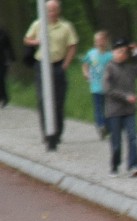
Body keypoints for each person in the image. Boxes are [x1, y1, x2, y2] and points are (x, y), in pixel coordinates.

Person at [23, 0, 78, 151]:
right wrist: (36, 41)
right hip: (41, 64)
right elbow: (26, 39)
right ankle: (47, 133)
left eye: (54, 10)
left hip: (58, 64)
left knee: (58, 100)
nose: (52, 13)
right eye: (49, 10)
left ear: (58, 11)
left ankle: (57, 132)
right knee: (43, 100)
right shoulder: (38, 24)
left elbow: (72, 46)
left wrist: (66, 64)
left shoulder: (66, 26)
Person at [104, 38, 137, 177]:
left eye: (124, 51)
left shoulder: (130, 68)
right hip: (114, 111)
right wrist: (125, 96)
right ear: (113, 52)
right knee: (116, 143)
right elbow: (108, 89)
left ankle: (133, 165)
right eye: (119, 51)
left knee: (132, 138)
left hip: (129, 110)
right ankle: (115, 165)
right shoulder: (109, 68)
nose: (121, 54)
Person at [82, 30, 111, 138]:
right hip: (96, 86)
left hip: (108, 87)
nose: (99, 42)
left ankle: (107, 126)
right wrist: (86, 73)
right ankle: (101, 125)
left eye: (101, 40)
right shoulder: (91, 54)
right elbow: (85, 64)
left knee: (108, 108)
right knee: (98, 107)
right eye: (97, 40)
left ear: (106, 41)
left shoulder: (110, 56)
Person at [0, 25, 15, 108]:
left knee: (1, 79)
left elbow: (8, 47)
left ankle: (4, 97)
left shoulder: (3, 33)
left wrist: (10, 58)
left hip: (2, 61)